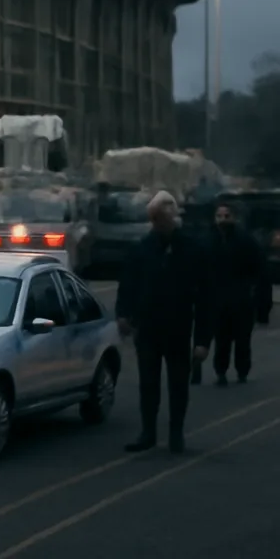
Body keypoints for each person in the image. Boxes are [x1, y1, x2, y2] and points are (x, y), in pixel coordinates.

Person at [116, 190, 213, 454]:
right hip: (147, 328)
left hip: (178, 328)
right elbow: (128, 285)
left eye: (162, 217)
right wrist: (123, 314)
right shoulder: (142, 249)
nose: (159, 223)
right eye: (155, 218)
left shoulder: (193, 251)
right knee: (148, 383)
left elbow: (205, 298)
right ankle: (148, 432)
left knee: (178, 384)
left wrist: (203, 341)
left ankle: (176, 433)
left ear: (172, 217)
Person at [205, 200, 272, 385]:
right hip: (219, 300)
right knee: (221, 340)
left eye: (226, 216)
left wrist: (261, 306)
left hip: (241, 299)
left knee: (242, 340)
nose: (223, 220)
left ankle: (242, 371)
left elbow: (261, 272)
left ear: (234, 218)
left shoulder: (246, 241)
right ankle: (221, 372)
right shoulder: (209, 240)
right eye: (219, 216)